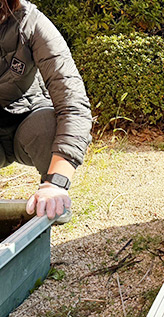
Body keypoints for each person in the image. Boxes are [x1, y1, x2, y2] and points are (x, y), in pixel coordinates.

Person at [0, 0, 92, 219]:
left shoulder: (31, 22)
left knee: (48, 125)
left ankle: (53, 201)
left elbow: (73, 104)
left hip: (27, 122)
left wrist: (57, 183)